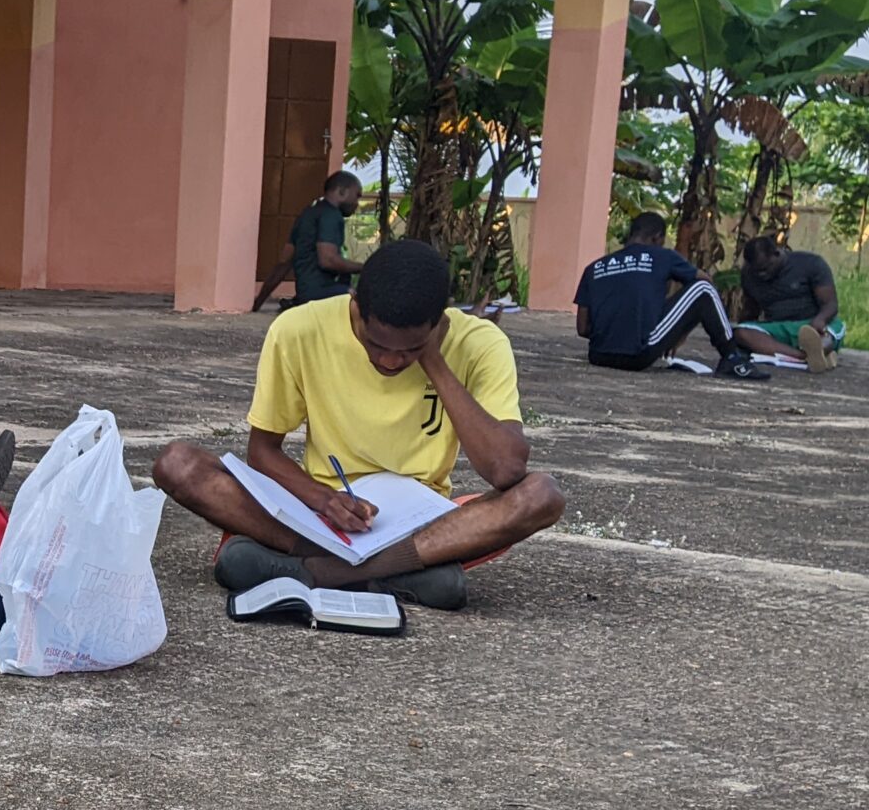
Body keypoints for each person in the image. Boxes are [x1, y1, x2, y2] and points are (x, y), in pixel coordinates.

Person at [151, 239, 564, 611]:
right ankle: (393, 576)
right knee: (178, 465)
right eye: (376, 344)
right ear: (355, 306)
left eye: (409, 350)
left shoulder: (480, 343)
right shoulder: (300, 329)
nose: (389, 360)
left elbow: (507, 470)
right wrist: (323, 499)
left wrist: (433, 359)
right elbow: (262, 451)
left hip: (425, 526)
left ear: (439, 324)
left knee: (541, 495)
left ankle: (320, 573)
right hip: (321, 517)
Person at [576, 213, 771, 381]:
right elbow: (704, 282)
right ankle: (731, 358)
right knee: (703, 288)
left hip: (598, 354)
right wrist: (678, 332)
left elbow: (583, 328)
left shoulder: (593, 268)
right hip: (638, 354)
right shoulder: (662, 256)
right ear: (657, 238)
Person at [253, 171, 367, 311]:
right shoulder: (331, 215)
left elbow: (283, 263)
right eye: (357, 196)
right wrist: (366, 267)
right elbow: (327, 260)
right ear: (342, 192)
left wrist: (257, 304)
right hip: (323, 292)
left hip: (305, 294)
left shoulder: (308, 214)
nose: (357, 203)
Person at [736, 235, 844, 372]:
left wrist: (820, 320)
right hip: (780, 328)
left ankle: (819, 349)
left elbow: (830, 304)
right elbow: (751, 311)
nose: (761, 275)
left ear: (776, 253)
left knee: (829, 333)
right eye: (756, 271)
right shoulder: (749, 275)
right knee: (741, 332)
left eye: (765, 268)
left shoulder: (812, 263)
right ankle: (806, 357)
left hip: (812, 324)